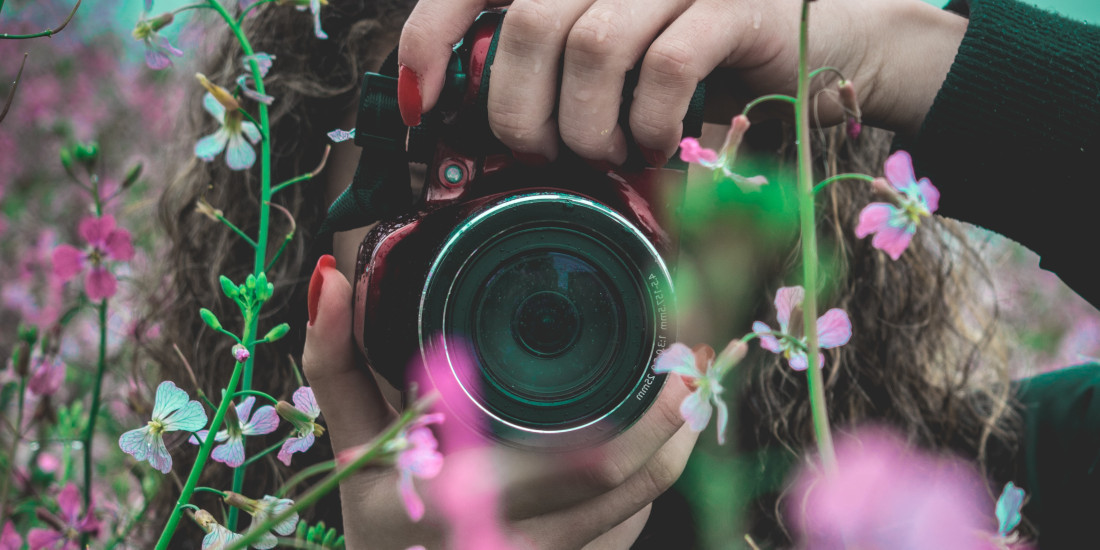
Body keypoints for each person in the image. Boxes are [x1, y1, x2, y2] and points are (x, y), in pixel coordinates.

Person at [154, 0, 1100, 547]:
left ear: (763, 221)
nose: (537, 251)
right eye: (441, 171)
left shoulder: (975, 498)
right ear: (294, 233)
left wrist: (903, 54)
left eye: (605, 174)